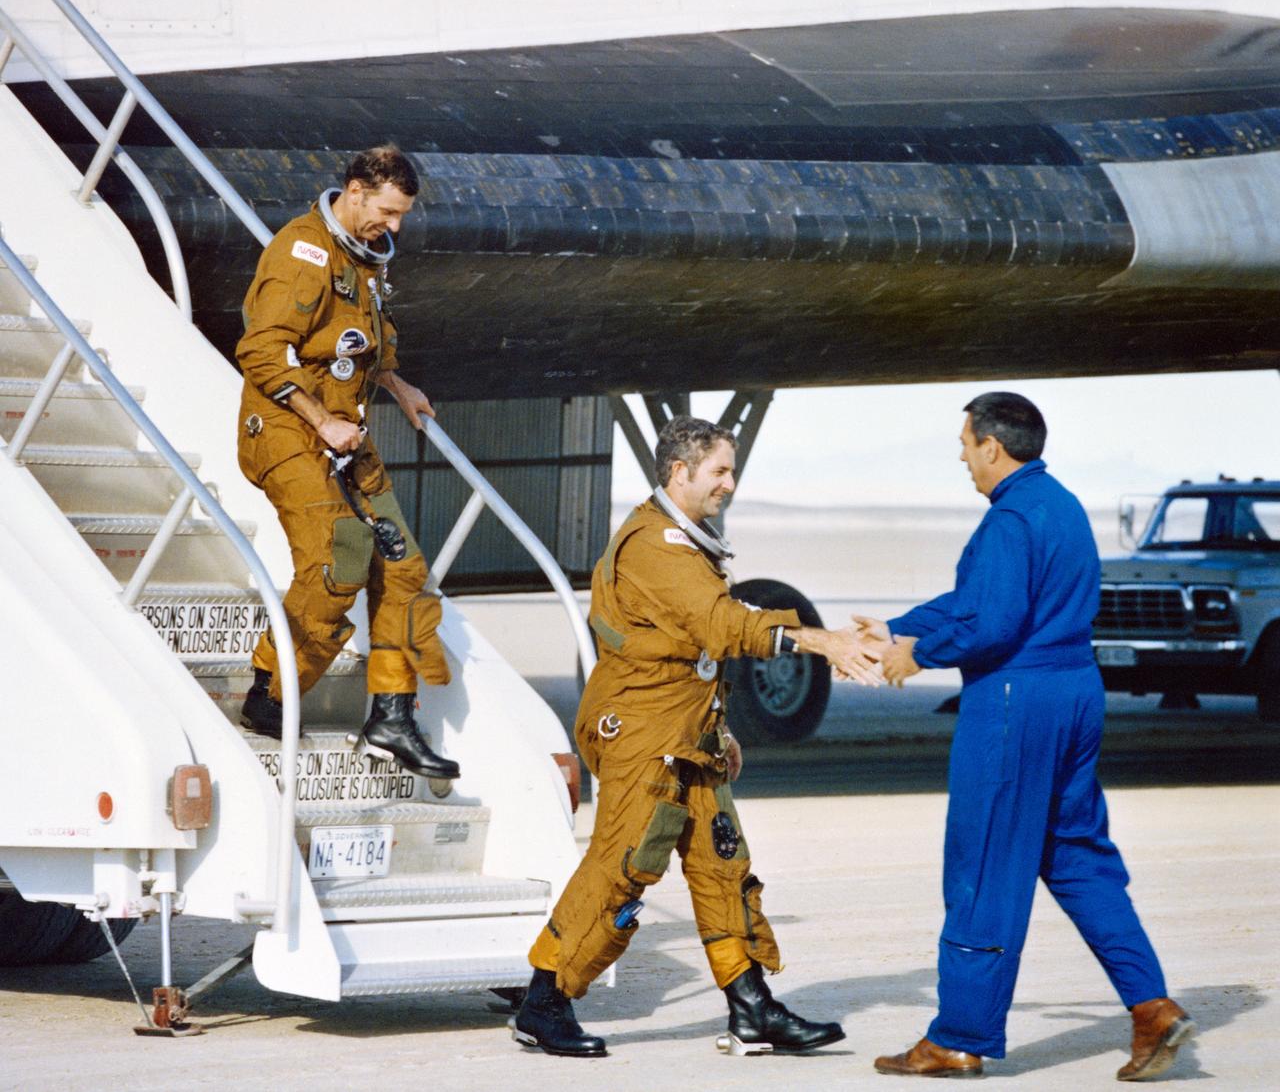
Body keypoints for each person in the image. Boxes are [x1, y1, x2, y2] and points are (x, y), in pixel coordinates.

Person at [512, 415, 881, 1058]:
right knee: (625, 865)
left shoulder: (688, 538)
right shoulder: (654, 544)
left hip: (690, 731)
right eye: (720, 471)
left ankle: (751, 1006)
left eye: (731, 472)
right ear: (679, 472)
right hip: (643, 730)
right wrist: (817, 639)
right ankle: (544, 1000)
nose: (730, 484)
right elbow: (718, 623)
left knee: (722, 862)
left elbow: (689, 647)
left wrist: (723, 724)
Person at [860, 392, 1194, 1082]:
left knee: (983, 862)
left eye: (965, 442)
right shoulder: (1062, 505)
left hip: (1017, 697)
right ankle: (1152, 1006)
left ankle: (958, 1035)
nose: (961, 455)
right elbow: (977, 603)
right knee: (1076, 855)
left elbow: (994, 623)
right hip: (1075, 690)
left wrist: (915, 656)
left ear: (993, 445)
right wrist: (897, 628)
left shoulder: (1010, 518)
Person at [235, 145, 459, 781]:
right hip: (286, 428)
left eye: (402, 216)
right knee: (341, 560)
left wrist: (396, 384)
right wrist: (322, 420)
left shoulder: (363, 255)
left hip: (343, 432)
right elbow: (261, 353)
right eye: (388, 212)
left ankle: (391, 713)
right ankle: (271, 692)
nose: (395, 227)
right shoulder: (301, 253)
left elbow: (355, 341)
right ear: (355, 190)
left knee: (404, 566)